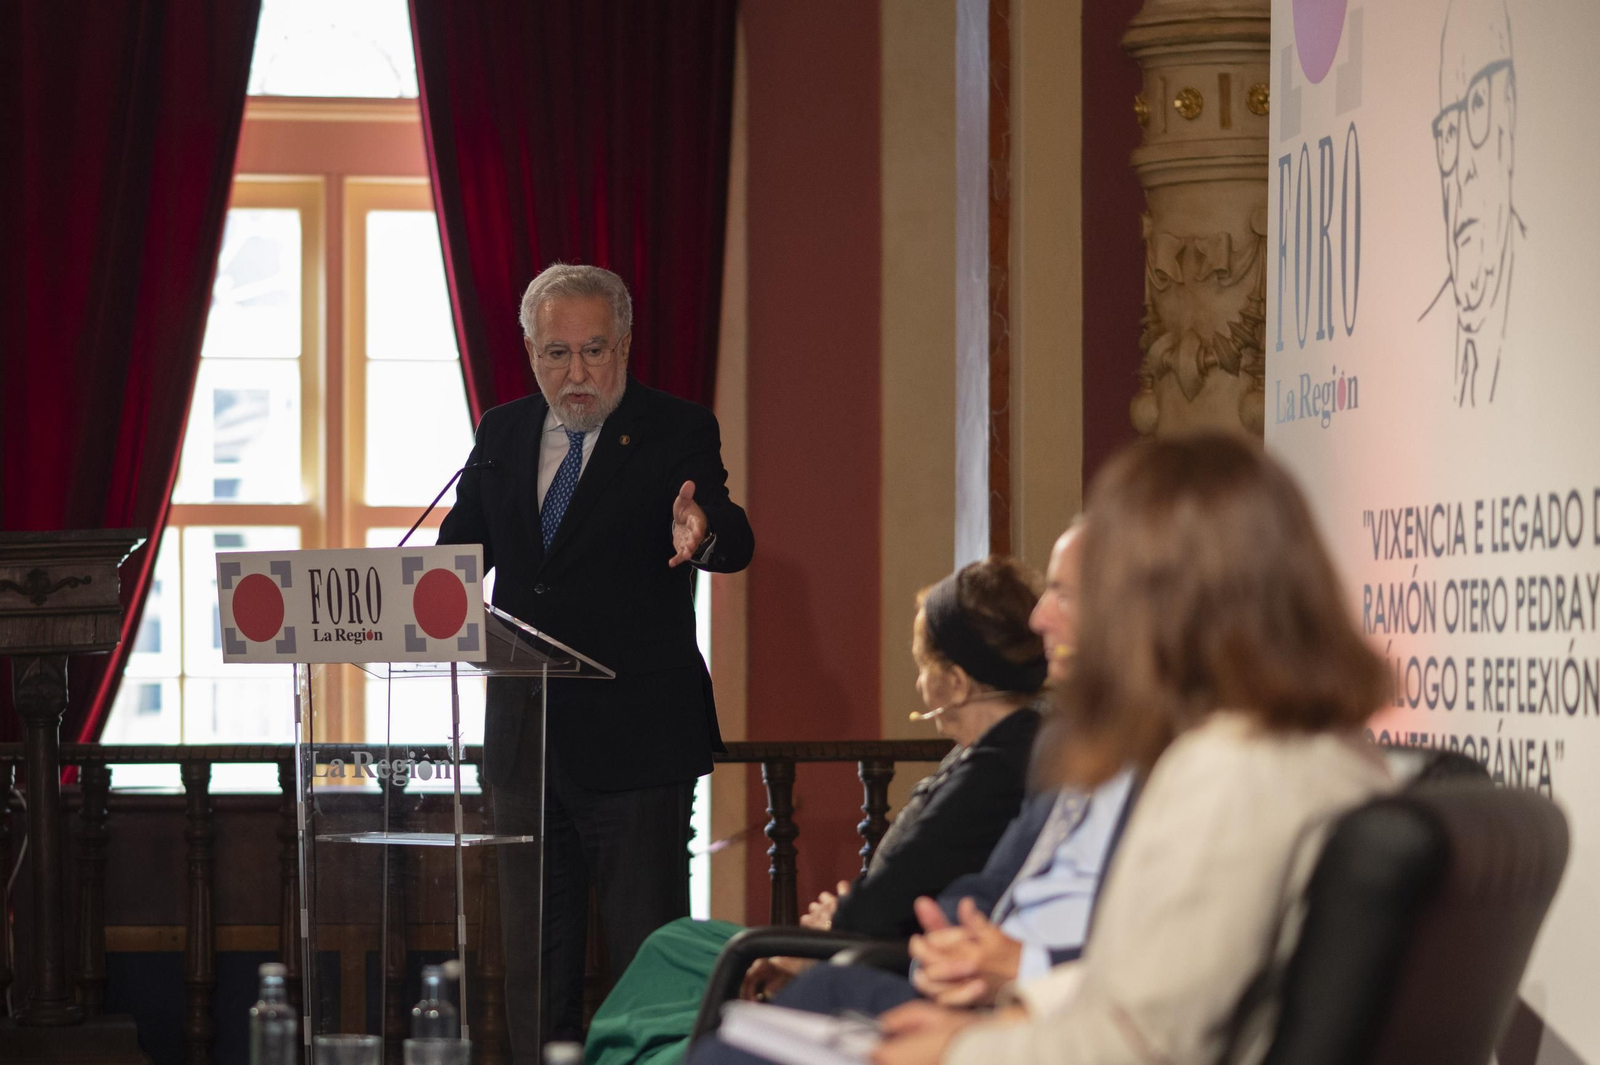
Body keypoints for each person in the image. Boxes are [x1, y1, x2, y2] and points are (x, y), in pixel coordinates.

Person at [869, 432, 1393, 1065]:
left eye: (1087, 590)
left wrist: (957, 1052)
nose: (1040, 619)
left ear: (1160, 602)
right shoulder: (1328, 752)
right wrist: (1025, 1003)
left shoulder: (1227, 774)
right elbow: (1168, 989)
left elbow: (1139, 1045)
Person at [438, 263, 755, 1056]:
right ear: (530, 351)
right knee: (533, 970)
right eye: (557, 353)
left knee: (645, 963)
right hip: (525, 744)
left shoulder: (675, 427)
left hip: (636, 744)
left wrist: (702, 532)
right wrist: (408, 593)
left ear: (625, 344)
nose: (576, 372)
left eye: (593, 350)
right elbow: (457, 557)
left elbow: (728, 528)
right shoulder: (502, 432)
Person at [585, 556, 1049, 1065]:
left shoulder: (997, 765)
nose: (920, 685)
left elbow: (890, 904)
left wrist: (830, 930)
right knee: (675, 940)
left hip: (878, 956)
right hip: (858, 936)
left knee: (675, 962)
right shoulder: (997, 747)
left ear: (956, 684)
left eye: (923, 667)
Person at [1425, 0, 1522, 406]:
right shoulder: (1419, 336)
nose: (1462, 169)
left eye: (1477, 104)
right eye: (1448, 131)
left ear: (1508, 110)